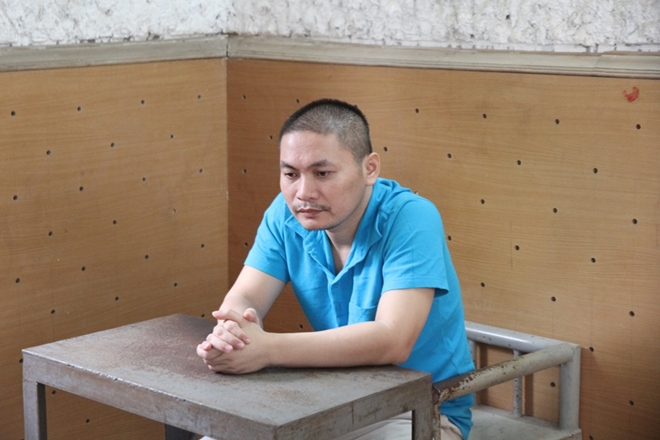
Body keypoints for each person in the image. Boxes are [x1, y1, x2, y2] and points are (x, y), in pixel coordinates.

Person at [197, 99, 474, 440]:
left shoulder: (412, 217)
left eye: (323, 173)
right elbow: (246, 296)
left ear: (369, 169)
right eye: (290, 174)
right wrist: (232, 334)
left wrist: (266, 349)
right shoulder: (285, 215)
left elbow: (393, 340)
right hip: (334, 400)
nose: (303, 193)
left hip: (420, 411)